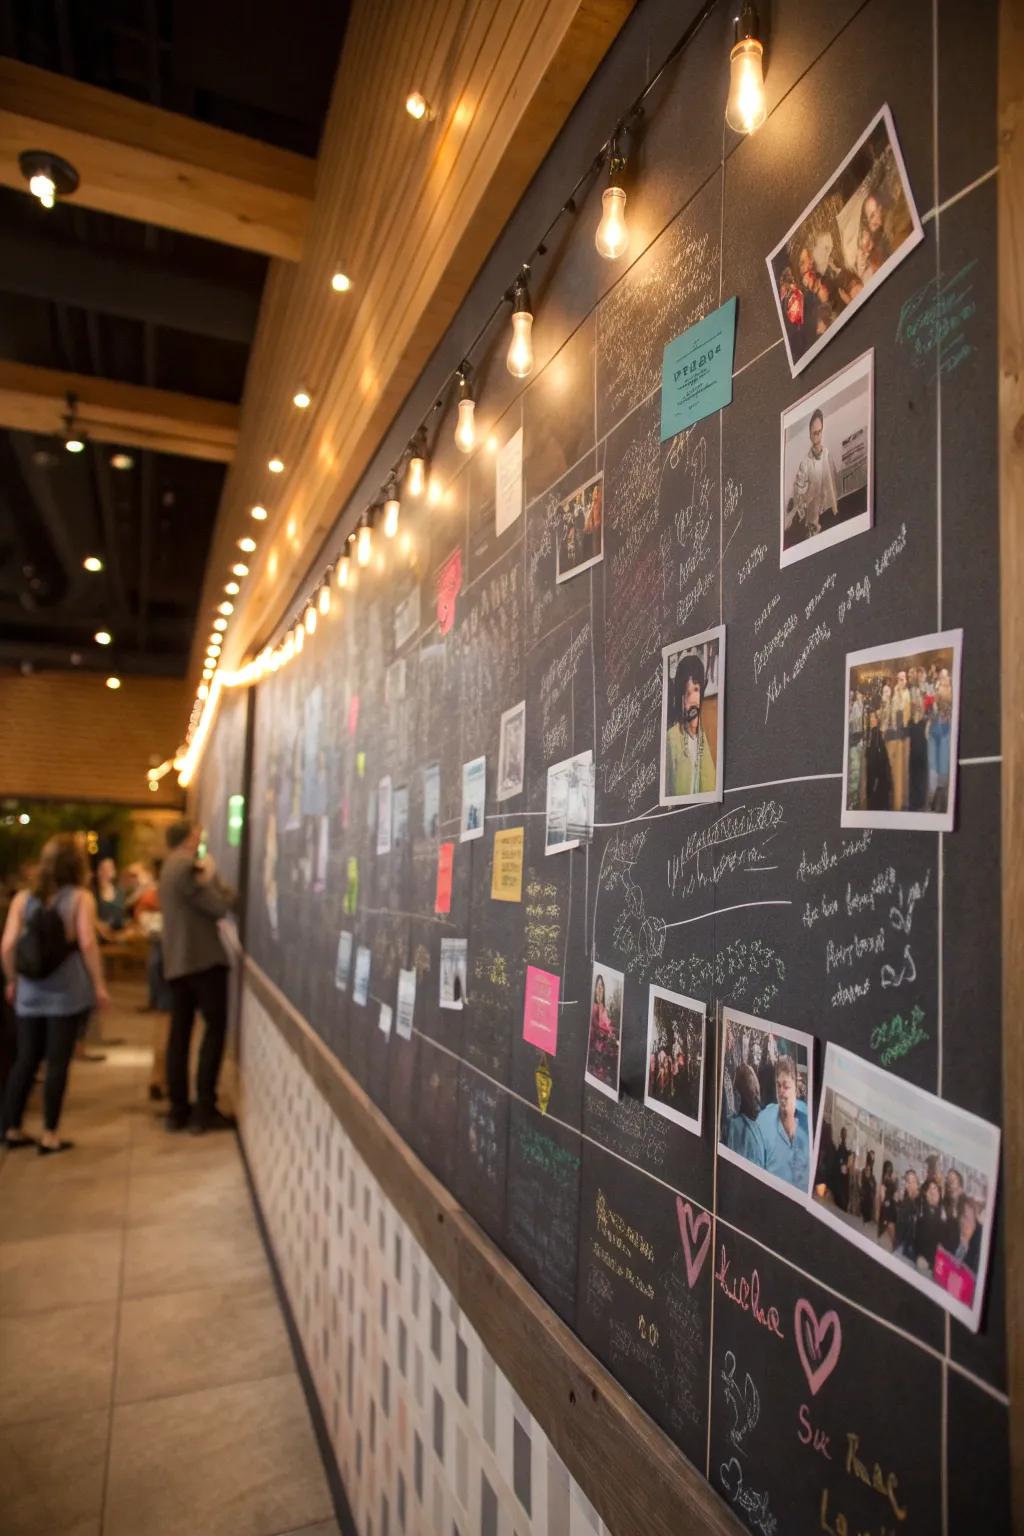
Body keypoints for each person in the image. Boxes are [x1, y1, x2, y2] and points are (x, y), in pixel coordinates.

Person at [0, 835, 108, 1154]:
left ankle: (12, 1128)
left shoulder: (22, 899)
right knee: (58, 1063)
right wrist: (99, 985)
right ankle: (49, 1135)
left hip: (29, 992)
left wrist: (12, 980)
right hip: (67, 991)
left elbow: (6, 946)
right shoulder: (80, 899)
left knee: (25, 1060)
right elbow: (87, 944)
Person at [159, 821, 237, 1133]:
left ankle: (178, 1109)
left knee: (179, 1035)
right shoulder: (188, 867)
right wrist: (215, 877)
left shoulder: (168, 867)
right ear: (191, 837)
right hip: (202, 963)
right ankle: (204, 1108)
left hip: (177, 964)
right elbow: (220, 906)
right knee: (213, 1031)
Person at [665, 651, 716, 797]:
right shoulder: (671, 738)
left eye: (696, 690)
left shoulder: (705, 736)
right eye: (687, 693)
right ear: (680, 697)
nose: (693, 699)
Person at [757, 1053, 809, 1191]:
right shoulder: (763, 1121)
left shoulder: (809, 1120)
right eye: (778, 1085)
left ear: (796, 1087)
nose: (781, 1092)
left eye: (786, 1086)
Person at [787, 407, 840, 542]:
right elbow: (798, 489)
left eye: (819, 431)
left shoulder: (827, 454)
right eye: (814, 432)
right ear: (810, 434)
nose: (817, 435)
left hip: (831, 511)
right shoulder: (805, 463)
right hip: (814, 521)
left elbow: (833, 478)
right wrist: (801, 502)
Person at [725, 1063, 767, 1167]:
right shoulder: (737, 1126)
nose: (758, 1100)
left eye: (757, 1093)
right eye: (754, 1094)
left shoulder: (754, 1127)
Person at [587, 974, 618, 1086]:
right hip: (594, 1047)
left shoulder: (603, 1007)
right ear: (595, 988)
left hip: (603, 1048)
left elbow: (607, 1025)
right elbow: (597, 1025)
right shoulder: (594, 1007)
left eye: (602, 986)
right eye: (598, 985)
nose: (600, 988)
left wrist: (612, 1033)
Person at [865, 706, 893, 811]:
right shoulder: (870, 734)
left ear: (877, 720)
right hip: (874, 772)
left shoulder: (876, 735)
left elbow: (880, 757)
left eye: (874, 718)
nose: (872, 720)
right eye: (870, 718)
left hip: (877, 773)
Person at [916, 1178, 945, 1273]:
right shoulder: (924, 1211)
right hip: (926, 1261)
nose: (933, 1192)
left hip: (940, 1263)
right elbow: (924, 1237)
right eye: (930, 1189)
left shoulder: (942, 1210)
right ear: (925, 1194)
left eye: (935, 1188)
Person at [94, 856, 126, 938]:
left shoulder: (120, 892)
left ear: (114, 871)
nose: (106, 872)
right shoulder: (93, 893)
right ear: (98, 871)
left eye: (109, 868)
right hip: (101, 938)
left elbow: (124, 916)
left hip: (119, 936)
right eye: (103, 868)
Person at [896, 1169, 922, 1261]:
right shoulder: (906, 1199)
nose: (909, 1185)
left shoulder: (921, 1200)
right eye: (907, 1182)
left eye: (912, 1182)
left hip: (912, 1248)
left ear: (917, 1183)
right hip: (902, 1244)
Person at [848, 691, 866, 809]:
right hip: (854, 742)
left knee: (858, 771)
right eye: (858, 694)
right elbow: (853, 723)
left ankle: (856, 799)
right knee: (854, 771)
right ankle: (853, 800)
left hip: (859, 741)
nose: (859, 696)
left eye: (861, 695)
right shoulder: (854, 706)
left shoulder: (862, 706)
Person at [953, 1199, 982, 1275]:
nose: (962, 1220)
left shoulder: (980, 1241)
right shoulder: (955, 1231)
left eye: (966, 1217)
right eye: (961, 1216)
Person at [878, 1158, 899, 1246]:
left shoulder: (885, 1180)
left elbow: (883, 1196)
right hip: (890, 1206)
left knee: (887, 1226)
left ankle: (893, 1244)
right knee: (889, 1227)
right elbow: (895, 1197)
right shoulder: (891, 1181)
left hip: (888, 1206)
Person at [835, 1127, 852, 1210]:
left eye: (846, 1133)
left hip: (845, 1169)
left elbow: (847, 1154)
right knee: (841, 1186)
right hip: (840, 1168)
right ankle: (841, 1203)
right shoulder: (839, 1143)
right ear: (841, 1134)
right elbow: (839, 1155)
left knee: (845, 1187)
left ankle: (844, 1204)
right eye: (844, 1133)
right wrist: (841, 1164)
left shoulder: (846, 1145)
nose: (845, 1135)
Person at [859, 1149, 877, 1224]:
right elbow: (865, 1178)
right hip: (866, 1191)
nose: (873, 1158)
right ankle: (865, 1218)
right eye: (872, 1156)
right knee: (866, 1204)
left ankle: (866, 1219)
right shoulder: (867, 1168)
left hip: (868, 1191)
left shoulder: (870, 1168)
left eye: (874, 1156)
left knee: (868, 1205)